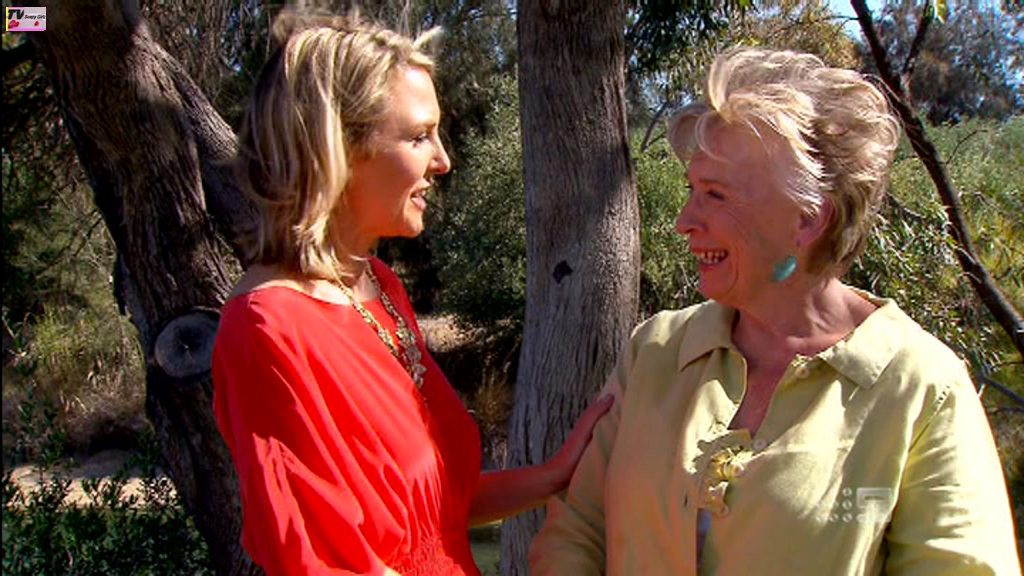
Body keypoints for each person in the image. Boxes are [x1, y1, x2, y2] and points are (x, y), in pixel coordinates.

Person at [529, 47, 1020, 575]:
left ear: (807, 219)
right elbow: (576, 532)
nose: (684, 220)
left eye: (715, 195)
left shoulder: (921, 387)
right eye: (693, 190)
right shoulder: (655, 352)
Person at [211, 9, 611, 576]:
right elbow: (321, 561)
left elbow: (431, 513)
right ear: (336, 148)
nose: (443, 161)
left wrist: (554, 477)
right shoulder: (267, 327)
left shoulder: (378, 286)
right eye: (420, 136)